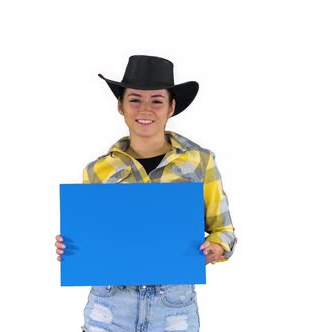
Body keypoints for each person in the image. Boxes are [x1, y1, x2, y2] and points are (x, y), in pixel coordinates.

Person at [55, 55, 237, 332]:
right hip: (109, 305)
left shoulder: (200, 161)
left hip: (173, 306)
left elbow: (223, 230)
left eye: (156, 100)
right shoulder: (97, 171)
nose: (145, 109)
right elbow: (93, 236)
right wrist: (72, 248)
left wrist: (215, 248)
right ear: (121, 106)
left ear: (171, 107)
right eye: (135, 99)